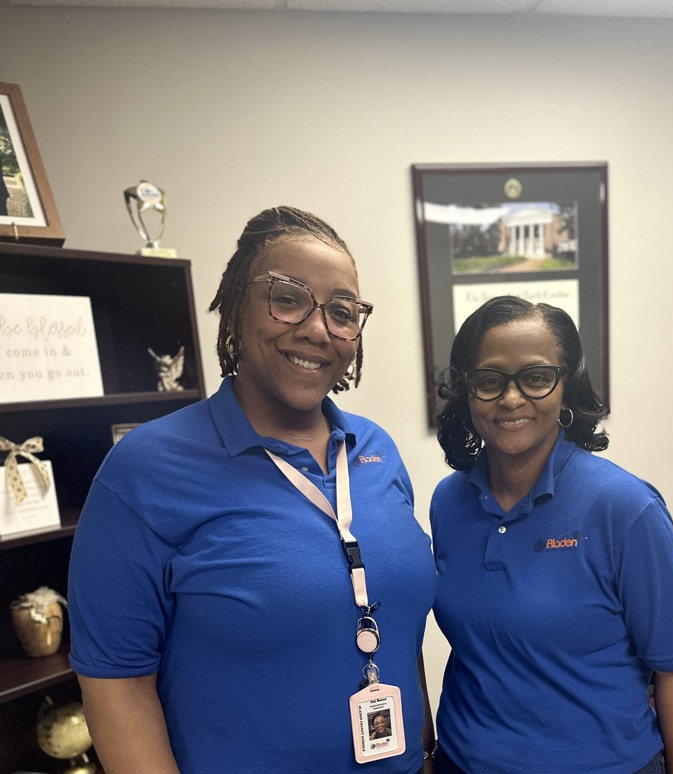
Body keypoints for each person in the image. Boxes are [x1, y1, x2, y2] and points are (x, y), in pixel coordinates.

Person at [67, 206, 437, 773]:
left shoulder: (375, 450)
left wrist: (426, 754)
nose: (317, 329)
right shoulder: (144, 470)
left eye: (342, 312)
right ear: (235, 309)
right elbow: (118, 683)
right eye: (287, 298)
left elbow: (400, 635)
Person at [429, 295, 673, 774]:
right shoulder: (448, 503)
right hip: (462, 760)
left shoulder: (625, 508)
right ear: (466, 390)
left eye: (536, 378)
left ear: (566, 387)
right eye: (490, 380)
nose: (511, 398)